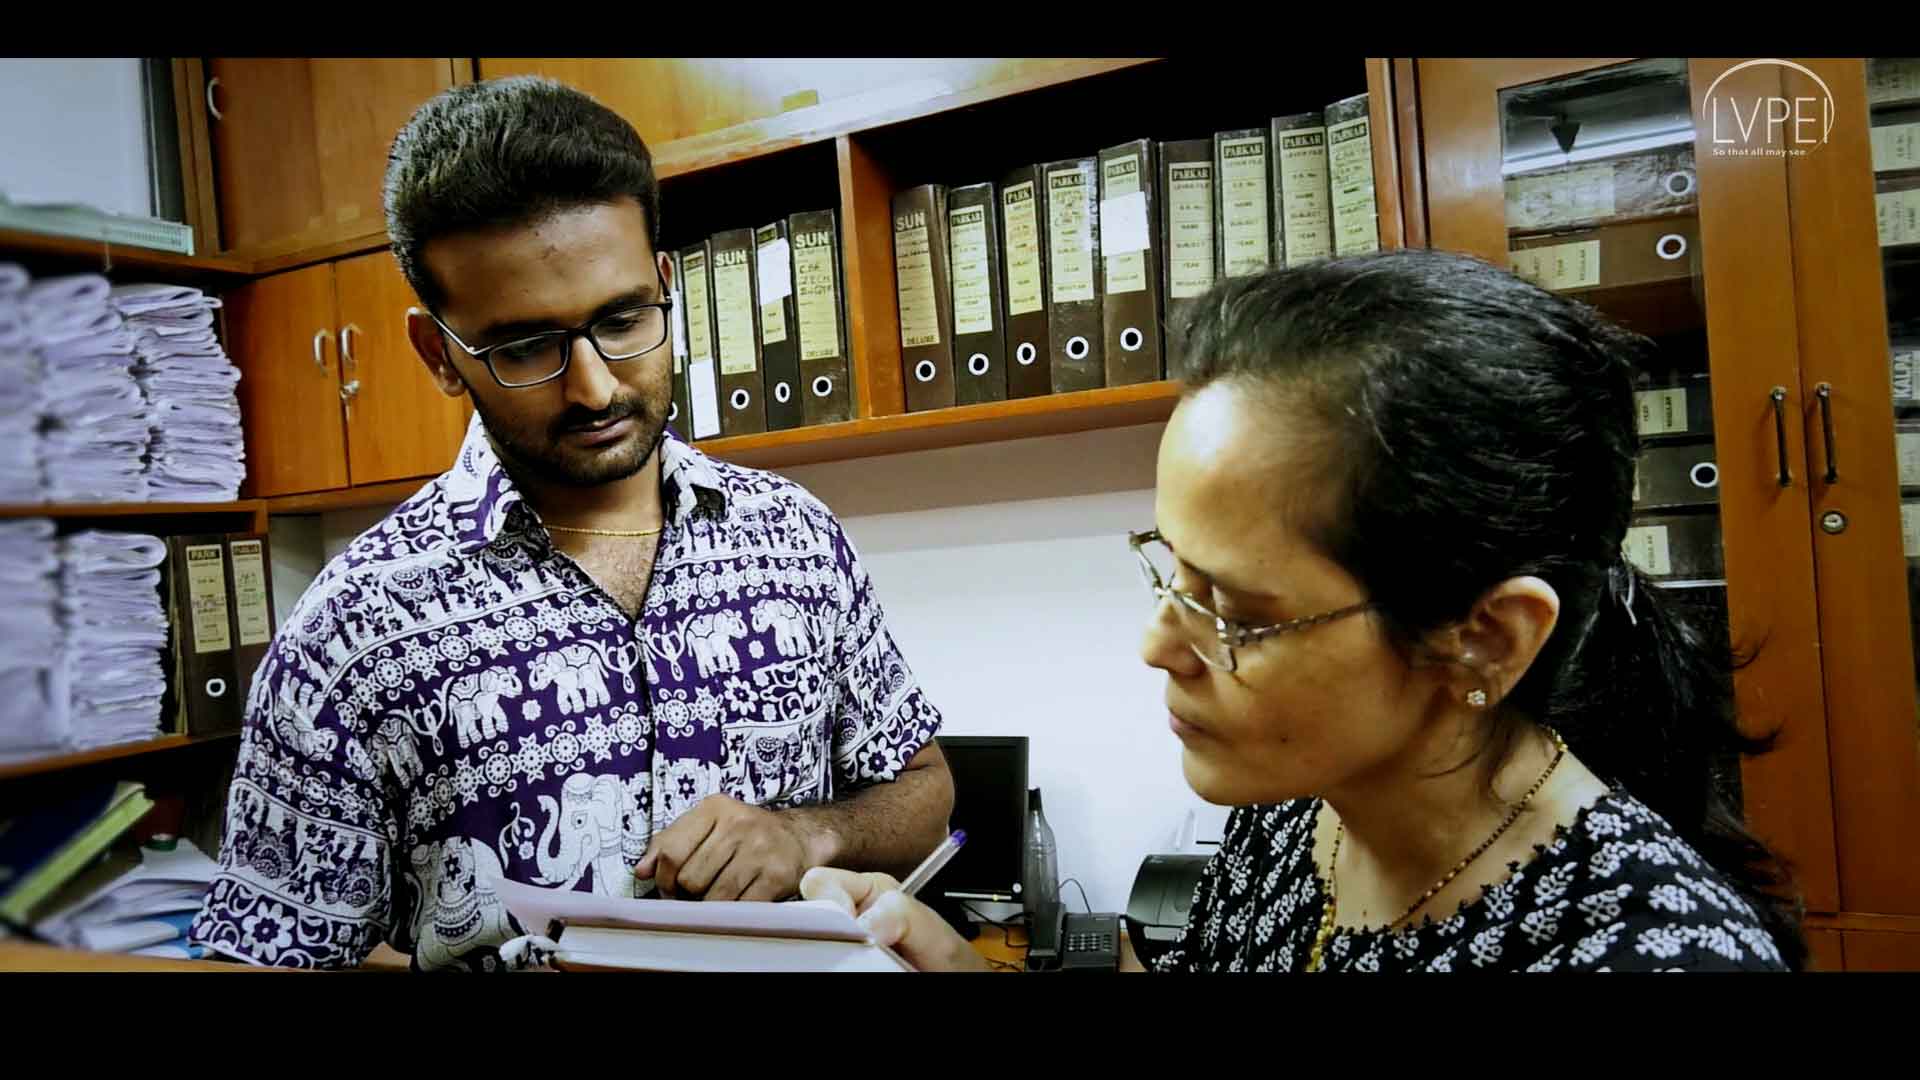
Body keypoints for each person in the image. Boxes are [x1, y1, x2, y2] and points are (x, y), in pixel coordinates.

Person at [803, 248, 1804, 972]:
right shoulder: (1300, 809)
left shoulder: (1649, 952)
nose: (1159, 647)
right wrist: (937, 954)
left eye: (1232, 611)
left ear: (1485, 640)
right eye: (1169, 574)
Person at [187, 77, 953, 970]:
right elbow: (265, 955)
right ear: (438, 353)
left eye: (623, 319)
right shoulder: (353, 630)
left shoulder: (797, 538)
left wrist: (806, 835)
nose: (593, 385)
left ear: (666, 284)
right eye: (525, 347)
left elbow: (924, 790)